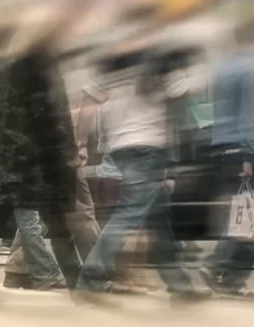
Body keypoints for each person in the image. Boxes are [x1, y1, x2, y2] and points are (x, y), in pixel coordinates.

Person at [0, 16, 83, 302]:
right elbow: (50, 115)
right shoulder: (36, 67)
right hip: (31, 158)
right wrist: (64, 150)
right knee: (54, 218)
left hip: (5, 156)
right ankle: (78, 284)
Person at [79, 47, 202, 302]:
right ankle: (90, 279)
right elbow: (182, 108)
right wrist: (189, 149)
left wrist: (81, 143)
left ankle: (180, 285)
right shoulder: (162, 60)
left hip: (121, 148)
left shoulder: (112, 65)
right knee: (130, 213)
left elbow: (88, 104)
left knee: (158, 218)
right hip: (149, 148)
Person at [198, 16, 254, 297]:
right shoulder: (251, 69)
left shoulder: (222, 69)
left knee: (240, 214)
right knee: (250, 216)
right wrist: (250, 153)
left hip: (221, 147)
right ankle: (218, 264)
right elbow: (249, 114)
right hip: (243, 149)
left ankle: (233, 281)